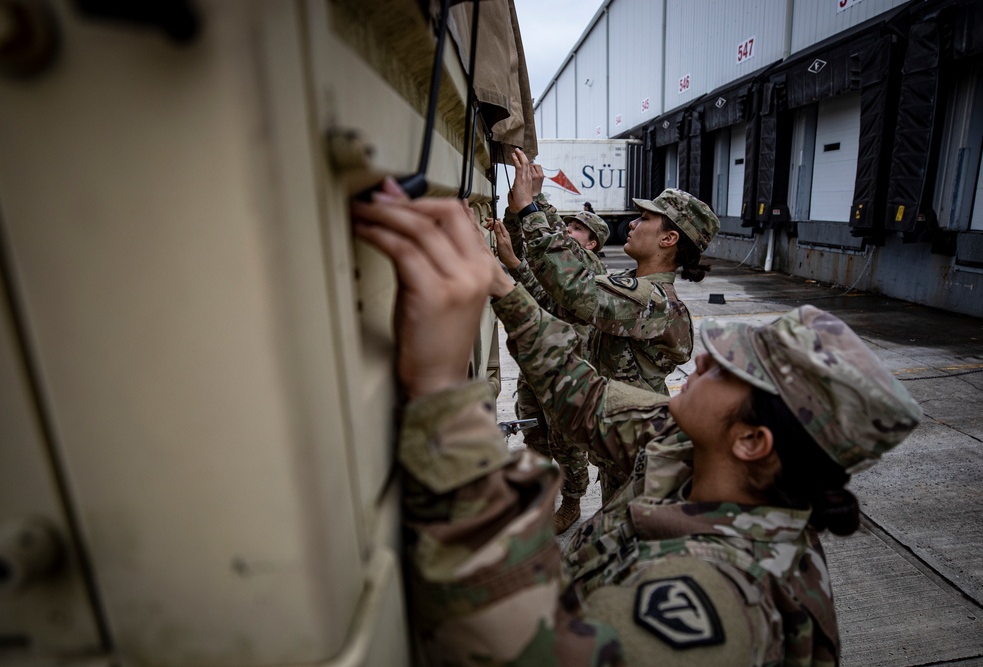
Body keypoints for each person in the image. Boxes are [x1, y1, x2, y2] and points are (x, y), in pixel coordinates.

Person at [350, 181, 921, 666]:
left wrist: (442, 395)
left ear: (751, 441)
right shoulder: (677, 443)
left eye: (729, 371)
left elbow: (531, 653)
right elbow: (581, 390)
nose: (701, 362)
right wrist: (500, 285)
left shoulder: (721, 596)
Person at [507, 148, 720, 503]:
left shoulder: (652, 301)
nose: (632, 224)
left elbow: (575, 286)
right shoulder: (630, 284)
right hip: (622, 433)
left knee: (631, 533)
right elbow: (578, 260)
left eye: (645, 219)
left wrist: (529, 210)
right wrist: (539, 199)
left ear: (669, 239)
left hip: (639, 446)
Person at [488, 185, 610, 533]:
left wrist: (515, 264)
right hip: (535, 366)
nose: (566, 232)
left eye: (575, 230)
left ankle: (572, 501)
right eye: (568, 226)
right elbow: (539, 298)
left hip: (565, 375)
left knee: (567, 445)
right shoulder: (561, 268)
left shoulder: (588, 270)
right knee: (535, 434)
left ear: (590, 245)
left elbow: (549, 301)